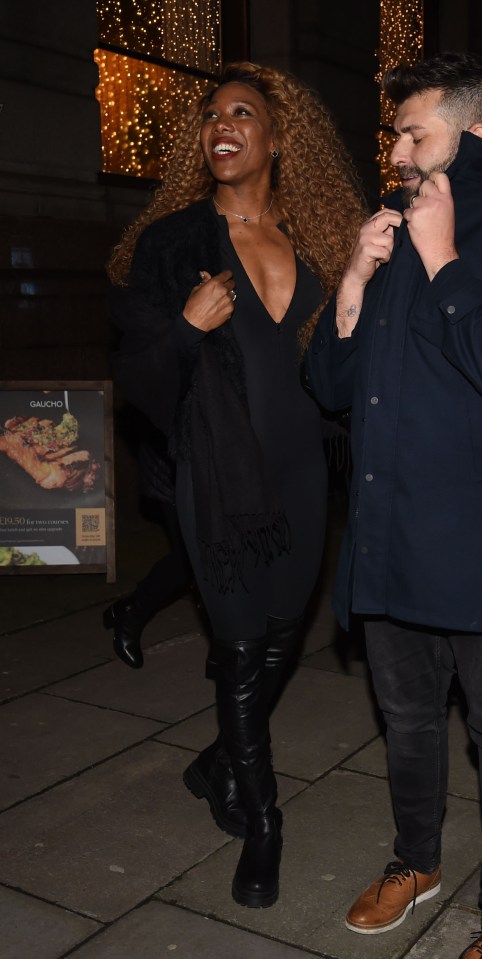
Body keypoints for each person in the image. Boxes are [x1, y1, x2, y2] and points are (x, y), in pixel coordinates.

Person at [108, 60, 365, 908]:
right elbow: (140, 378)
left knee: (286, 637)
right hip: (217, 484)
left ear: (279, 136)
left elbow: (343, 368)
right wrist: (185, 329)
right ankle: (263, 822)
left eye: (242, 113)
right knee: (244, 652)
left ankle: (218, 759)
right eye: (211, 115)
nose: (221, 125)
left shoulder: (320, 242)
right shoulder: (171, 243)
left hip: (301, 478)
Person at [307, 51, 482, 957]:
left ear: (474, 126)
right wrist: (351, 287)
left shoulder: (455, 233)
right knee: (408, 717)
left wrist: (446, 260)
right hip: (390, 539)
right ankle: (417, 860)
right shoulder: (396, 226)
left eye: (418, 131)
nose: (403, 151)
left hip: (475, 545)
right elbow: (331, 388)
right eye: (398, 134)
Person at [103, 421, 193, 669]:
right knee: (189, 560)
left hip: (221, 462)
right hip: (173, 460)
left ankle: (126, 608)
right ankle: (133, 614)